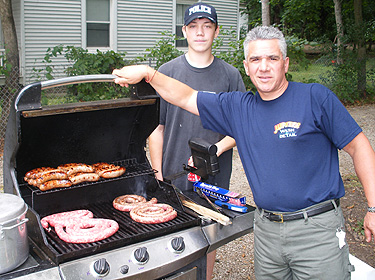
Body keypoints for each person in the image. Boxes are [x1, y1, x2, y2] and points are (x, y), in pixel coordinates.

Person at [113, 26, 375, 280]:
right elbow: (186, 97)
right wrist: (149, 74)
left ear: (285, 63)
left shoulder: (315, 98)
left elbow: (359, 146)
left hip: (316, 230)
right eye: (255, 59)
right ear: (246, 66)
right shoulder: (239, 108)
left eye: (272, 58)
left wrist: (373, 208)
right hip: (267, 232)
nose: (264, 66)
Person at [148, 3, 245, 279]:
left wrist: (216, 149)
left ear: (216, 31)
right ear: (184, 31)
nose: (200, 32)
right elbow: (157, 128)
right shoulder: (166, 73)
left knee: (208, 236)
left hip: (213, 176)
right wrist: (158, 174)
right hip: (172, 174)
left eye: (207, 26)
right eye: (193, 26)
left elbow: (241, 127)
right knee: (170, 236)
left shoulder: (230, 76)